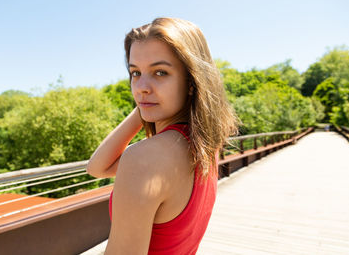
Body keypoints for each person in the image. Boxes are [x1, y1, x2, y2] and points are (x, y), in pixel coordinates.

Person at [86, 17, 239, 255]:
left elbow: (97, 168)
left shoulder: (146, 159)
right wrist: (145, 106)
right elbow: (97, 167)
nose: (141, 87)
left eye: (160, 72)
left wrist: (146, 103)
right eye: (135, 73)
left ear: (192, 80)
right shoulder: (205, 145)